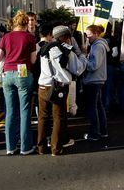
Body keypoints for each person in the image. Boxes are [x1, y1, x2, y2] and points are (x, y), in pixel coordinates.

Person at [37, 25, 87, 156]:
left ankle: (41, 147)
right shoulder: (66, 51)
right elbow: (78, 69)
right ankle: (56, 148)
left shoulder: (44, 48)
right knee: (58, 117)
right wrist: (83, 56)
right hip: (58, 87)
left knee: (42, 117)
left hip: (43, 85)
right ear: (66, 37)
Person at [0, 10, 37, 155]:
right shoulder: (30, 38)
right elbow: (33, 60)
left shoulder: (6, 37)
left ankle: (10, 147)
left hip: (7, 74)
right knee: (25, 111)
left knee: (10, 111)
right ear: (26, 23)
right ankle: (26, 147)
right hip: (23, 73)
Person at [82, 24, 109, 141]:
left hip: (94, 80)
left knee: (93, 107)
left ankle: (95, 133)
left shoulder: (97, 46)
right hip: (98, 79)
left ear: (96, 34)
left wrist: (84, 57)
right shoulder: (98, 45)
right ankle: (103, 131)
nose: (88, 37)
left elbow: (94, 65)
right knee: (98, 106)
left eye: (89, 35)